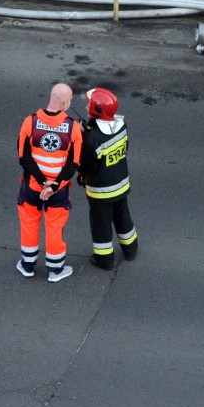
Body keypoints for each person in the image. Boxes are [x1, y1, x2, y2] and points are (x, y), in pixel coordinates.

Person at [16, 83, 83, 282]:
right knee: (54, 227)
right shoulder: (72, 128)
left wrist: (42, 181)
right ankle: (55, 270)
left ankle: (27, 265)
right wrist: (53, 184)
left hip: (32, 186)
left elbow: (23, 157)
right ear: (65, 103)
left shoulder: (30, 122)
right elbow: (74, 163)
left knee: (29, 223)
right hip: (58, 190)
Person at [77, 88, 138, 271]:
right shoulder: (121, 125)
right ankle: (131, 249)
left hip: (101, 190)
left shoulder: (92, 137)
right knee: (123, 216)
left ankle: (104, 260)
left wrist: (83, 134)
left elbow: (86, 163)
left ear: (96, 110)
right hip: (121, 183)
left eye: (89, 104)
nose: (87, 105)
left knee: (101, 224)